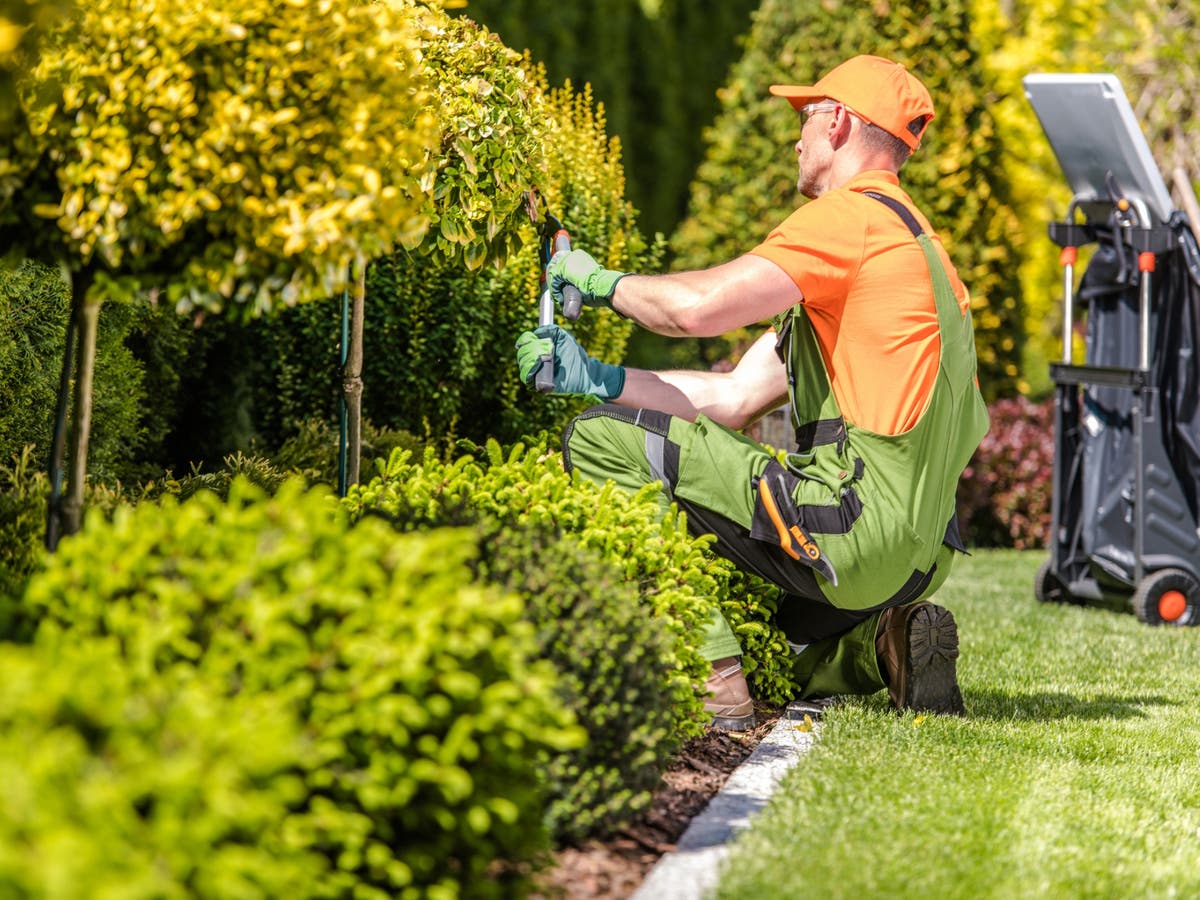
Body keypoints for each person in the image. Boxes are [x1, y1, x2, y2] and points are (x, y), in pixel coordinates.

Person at [515, 55, 989, 730]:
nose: (795, 138)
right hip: (916, 558)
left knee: (597, 439)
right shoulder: (917, 251)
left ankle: (711, 682)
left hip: (851, 529)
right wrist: (597, 378)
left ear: (840, 123)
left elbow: (696, 311)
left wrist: (599, 282)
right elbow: (734, 397)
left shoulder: (850, 219)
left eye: (805, 118)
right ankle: (879, 648)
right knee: (761, 627)